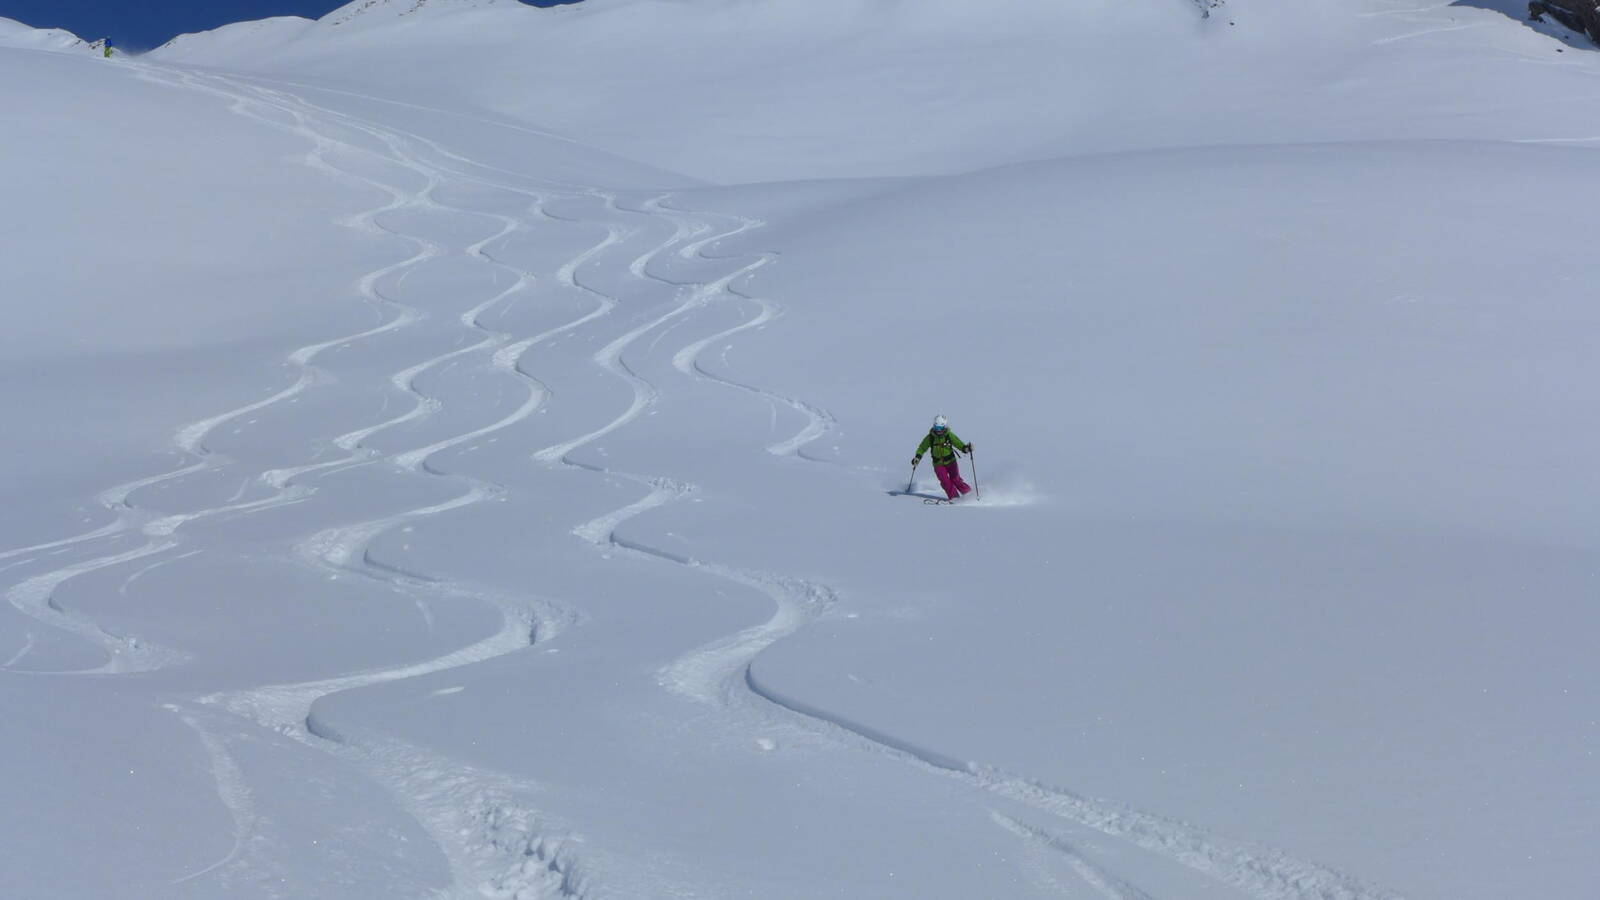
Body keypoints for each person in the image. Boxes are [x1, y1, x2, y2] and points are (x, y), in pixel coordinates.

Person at [912, 415, 973, 501]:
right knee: (945, 481)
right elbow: (922, 448)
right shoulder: (930, 437)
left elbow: (958, 443)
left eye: (940, 428)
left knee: (956, 479)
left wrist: (966, 448)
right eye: (936, 427)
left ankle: (969, 494)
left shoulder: (949, 435)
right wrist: (917, 457)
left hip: (951, 462)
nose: (938, 430)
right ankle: (954, 498)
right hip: (938, 464)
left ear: (944, 426)